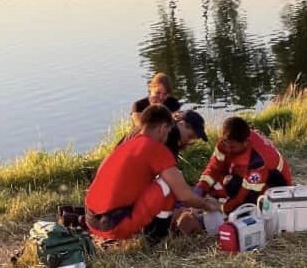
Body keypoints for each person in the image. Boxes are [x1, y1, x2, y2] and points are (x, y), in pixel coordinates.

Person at [85, 104, 220, 243]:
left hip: (91, 218)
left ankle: (147, 226)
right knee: (169, 183)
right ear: (163, 128)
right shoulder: (158, 148)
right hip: (113, 225)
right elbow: (184, 195)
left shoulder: (130, 141)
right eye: (168, 131)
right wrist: (206, 205)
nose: (168, 136)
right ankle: (156, 237)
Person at [194, 116, 292, 214]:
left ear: (245, 142)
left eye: (232, 147)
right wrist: (200, 189)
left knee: (233, 187)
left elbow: (248, 196)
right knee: (216, 183)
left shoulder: (258, 161)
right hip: (250, 176)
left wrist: (223, 208)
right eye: (225, 143)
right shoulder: (226, 142)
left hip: (275, 188)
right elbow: (214, 168)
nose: (228, 149)